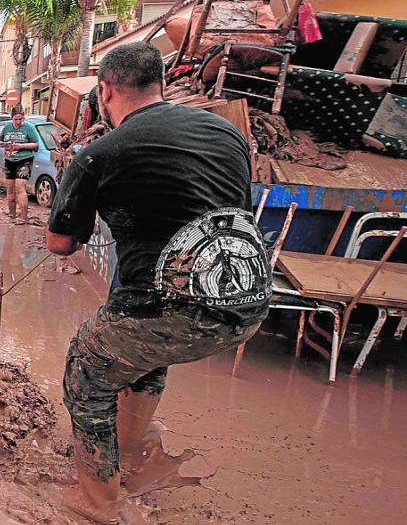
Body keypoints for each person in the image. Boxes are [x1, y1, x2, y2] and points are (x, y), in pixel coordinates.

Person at [45, 42, 271, 524]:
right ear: (161, 84)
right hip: (247, 298)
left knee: (87, 370)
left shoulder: (100, 153)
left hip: (173, 306)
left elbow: (60, 243)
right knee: (143, 354)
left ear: (104, 91)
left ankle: (99, 502)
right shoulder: (225, 132)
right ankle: (132, 458)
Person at [0, 106, 39, 224]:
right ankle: (12, 215)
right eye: (16, 119)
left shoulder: (29, 128)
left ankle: (24, 218)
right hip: (9, 160)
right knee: (10, 188)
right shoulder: (6, 128)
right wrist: (2, 144)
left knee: (20, 187)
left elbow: (36, 145)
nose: (18, 122)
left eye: (20, 119)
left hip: (24, 160)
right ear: (11, 118)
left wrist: (20, 146)